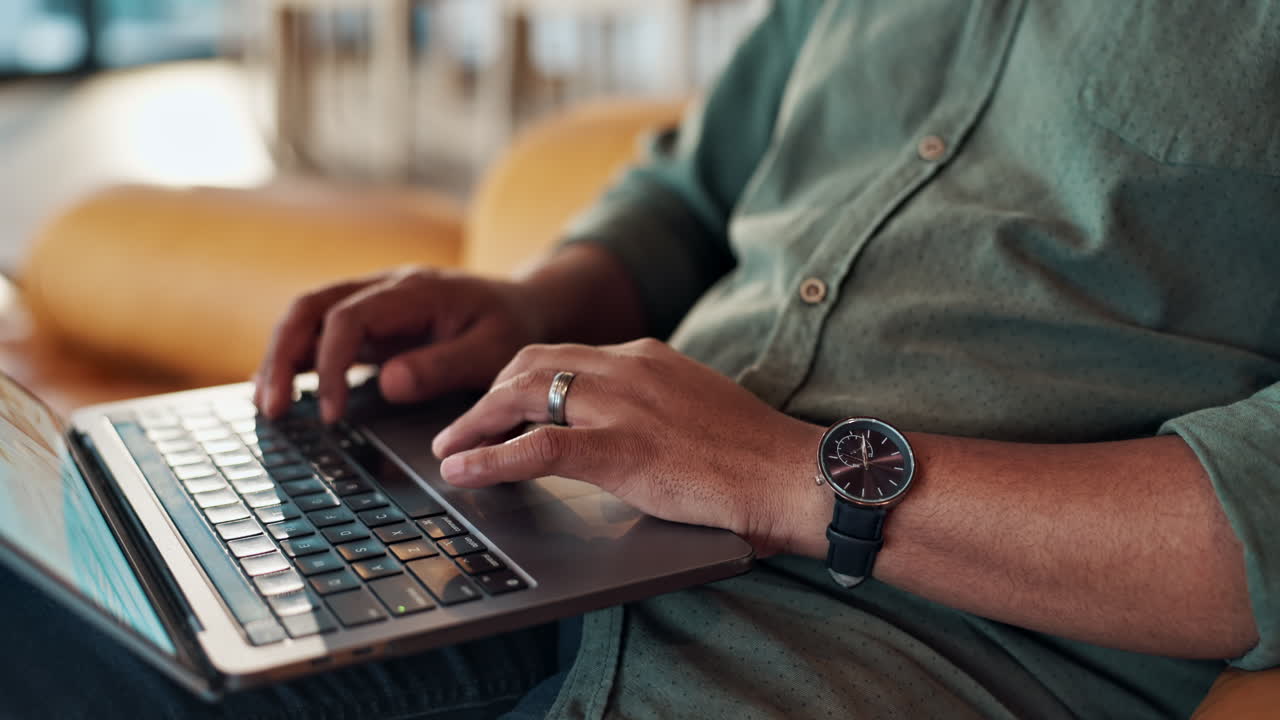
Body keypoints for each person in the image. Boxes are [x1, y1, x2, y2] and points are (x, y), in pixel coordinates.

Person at [5, 1, 1279, 718]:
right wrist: (533, 299)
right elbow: (692, 187)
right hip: (539, 542)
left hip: (865, 658)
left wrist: (784, 477)